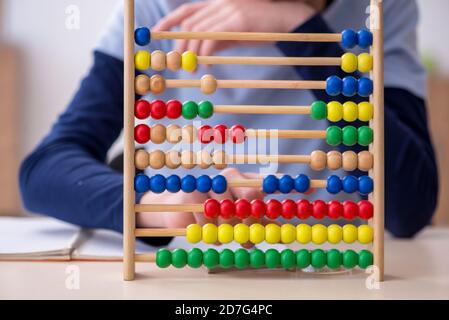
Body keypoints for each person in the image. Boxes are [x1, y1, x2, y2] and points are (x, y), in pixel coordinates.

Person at [19, 0, 438, 241]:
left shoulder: (378, 10)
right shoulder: (160, 7)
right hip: (189, 271)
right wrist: (155, 207)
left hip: (329, 269)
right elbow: (45, 169)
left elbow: (408, 208)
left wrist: (303, 33)